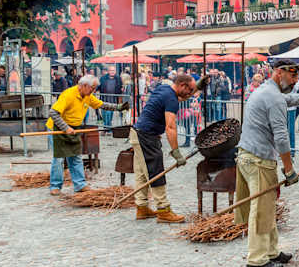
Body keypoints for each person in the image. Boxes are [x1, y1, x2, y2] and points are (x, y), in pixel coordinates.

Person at [236, 59, 299, 267]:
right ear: (279, 73)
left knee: (267, 206)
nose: (296, 80)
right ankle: (257, 259)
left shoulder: (267, 91)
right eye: (293, 76)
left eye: (297, 77)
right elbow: (281, 137)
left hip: (251, 156)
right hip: (258, 159)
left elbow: (290, 99)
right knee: (260, 209)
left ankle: (271, 251)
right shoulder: (273, 97)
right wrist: (289, 170)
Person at [129, 74, 197, 222]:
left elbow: (181, 98)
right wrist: (176, 153)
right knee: (156, 172)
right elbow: (170, 127)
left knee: (142, 173)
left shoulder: (165, 89)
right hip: (146, 137)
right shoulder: (171, 99)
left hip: (139, 133)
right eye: (190, 90)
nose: (190, 94)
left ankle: (142, 208)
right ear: (182, 86)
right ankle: (163, 210)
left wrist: (198, 88)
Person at [47, 75, 127, 195]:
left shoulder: (87, 96)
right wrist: (66, 128)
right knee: (58, 158)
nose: (93, 91)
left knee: (76, 156)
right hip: (58, 128)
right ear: (84, 86)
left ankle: (80, 184)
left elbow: (101, 105)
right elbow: (53, 112)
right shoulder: (68, 95)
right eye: (92, 88)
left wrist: (119, 107)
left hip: (74, 128)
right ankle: (55, 185)